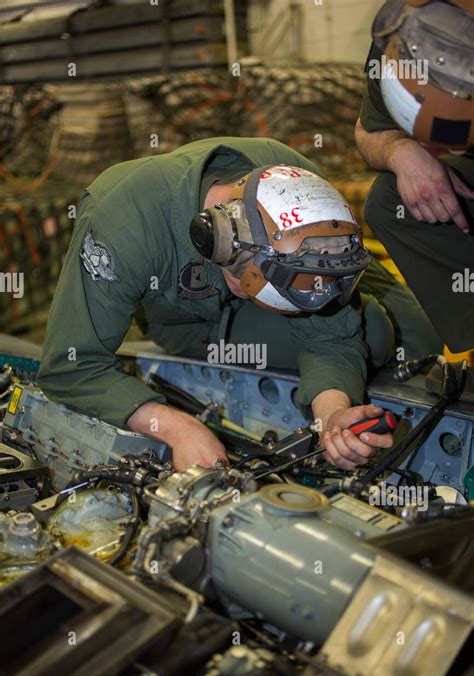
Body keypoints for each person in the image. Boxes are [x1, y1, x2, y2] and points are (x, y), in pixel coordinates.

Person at [38, 137, 441, 471]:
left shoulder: (298, 182)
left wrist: (332, 417)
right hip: (192, 322)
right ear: (219, 244)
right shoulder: (123, 222)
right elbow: (71, 366)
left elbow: (330, 339)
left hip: (293, 266)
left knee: (418, 337)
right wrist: (177, 428)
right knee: (373, 326)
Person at [355, 0, 474, 352]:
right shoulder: (398, 42)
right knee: (389, 200)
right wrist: (400, 152)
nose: (449, 154)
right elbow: (368, 130)